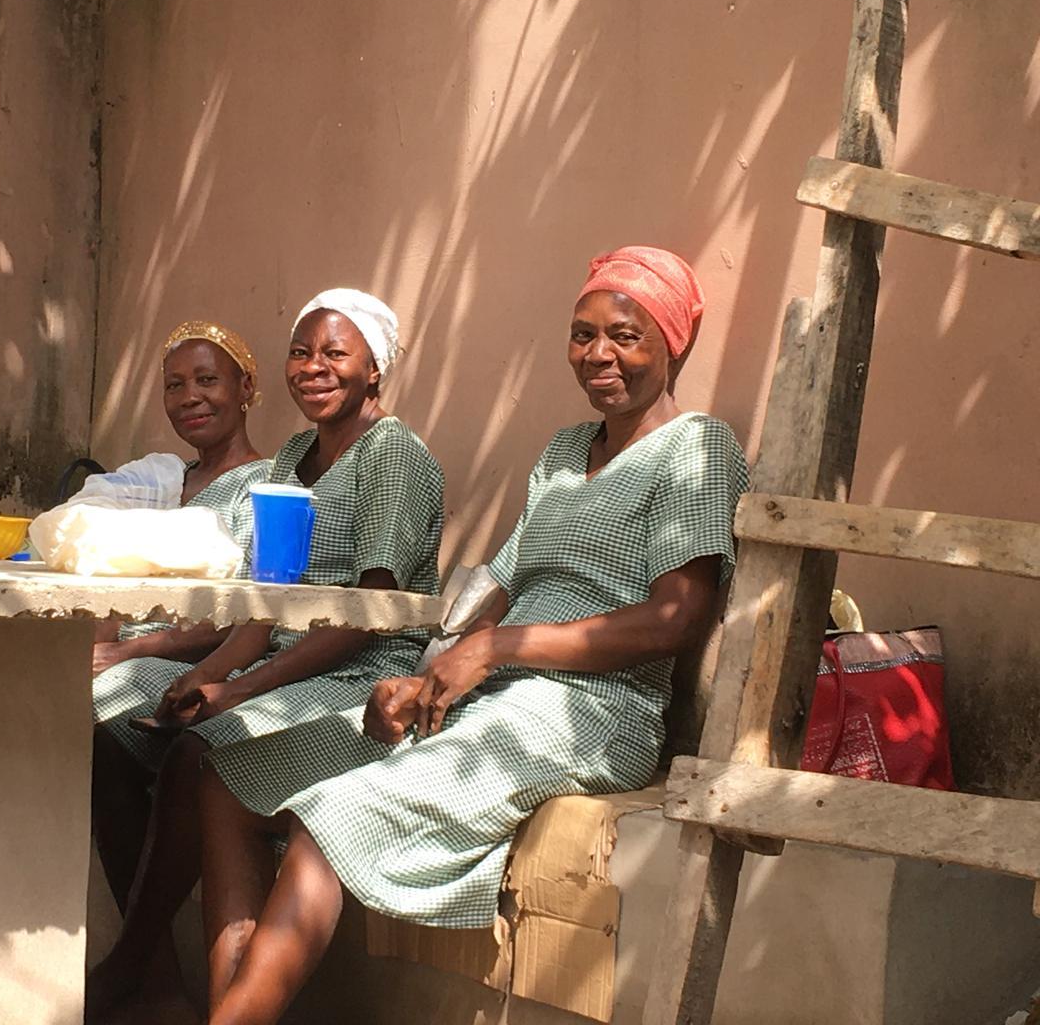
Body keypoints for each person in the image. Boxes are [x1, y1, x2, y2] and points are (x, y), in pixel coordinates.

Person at [196, 247, 750, 1025]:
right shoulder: (565, 451)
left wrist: (495, 651)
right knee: (229, 781)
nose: (599, 356)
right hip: (494, 696)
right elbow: (498, 581)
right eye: (582, 334)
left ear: (673, 344)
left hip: (591, 712)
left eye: (625, 335)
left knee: (334, 818)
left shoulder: (698, 448)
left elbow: (675, 619)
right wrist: (429, 674)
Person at [88, 289, 445, 1019]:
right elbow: (262, 605)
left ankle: (132, 965)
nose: (314, 368)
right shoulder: (288, 461)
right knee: (118, 741)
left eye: (335, 354)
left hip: (362, 674)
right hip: (281, 667)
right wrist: (206, 674)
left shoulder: (395, 455)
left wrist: (242, 694)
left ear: (374, 370)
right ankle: (161, 979)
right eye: (302, 351)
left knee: (199, 756)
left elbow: (369, 617)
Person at [89, 321, 271, 678]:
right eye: (175, 385)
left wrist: (121, 652)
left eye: (207, 380)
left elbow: (247, 612)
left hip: (191, 666)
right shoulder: (163, 480)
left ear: (245, 387)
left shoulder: (262, 486)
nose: (189, 397)